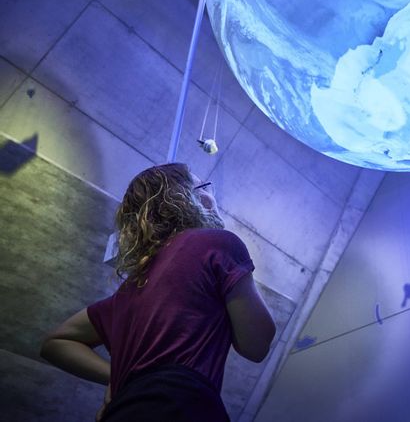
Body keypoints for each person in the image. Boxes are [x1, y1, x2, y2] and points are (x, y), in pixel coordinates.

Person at [40, 163, 276, 421]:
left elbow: (55, 343)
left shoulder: (128, 291)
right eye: (205, 187)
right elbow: (256, 346)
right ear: (185, 198)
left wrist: (120, 379)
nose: (212, 196)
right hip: (180, 406)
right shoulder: (218, 242)